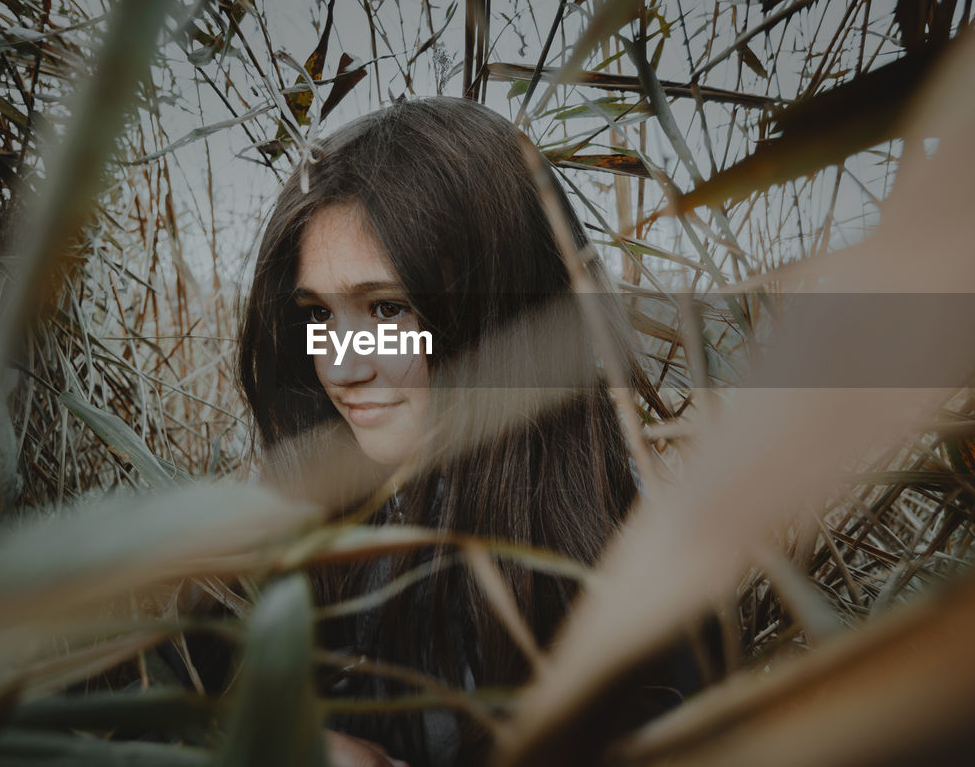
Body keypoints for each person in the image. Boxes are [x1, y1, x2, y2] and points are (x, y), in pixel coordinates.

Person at [236, 97, 682, 767]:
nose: (342, 367)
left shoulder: (644, 570)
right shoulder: (309, 528)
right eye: (318, 315)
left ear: (506, 311)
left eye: (388, 308)